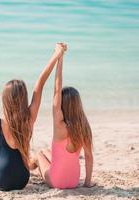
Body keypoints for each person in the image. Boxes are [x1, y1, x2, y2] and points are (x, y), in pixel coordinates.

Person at [0, 43, 66, 191]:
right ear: (24, 97)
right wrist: (57, 55)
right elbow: (40, 84)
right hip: (22, 179)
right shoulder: (29, 117)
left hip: (1, 182)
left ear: (5, 100)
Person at [33, 43, 95, 189]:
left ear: (63, 106)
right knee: (47, 151)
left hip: (56, 181)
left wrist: (60, 59)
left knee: (38, 155)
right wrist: (87, 183)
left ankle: (31, 163)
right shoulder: (84, 128)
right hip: (73, 181)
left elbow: (56, 89)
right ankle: (41, 157)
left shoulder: (59, 124)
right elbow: (89, 157)